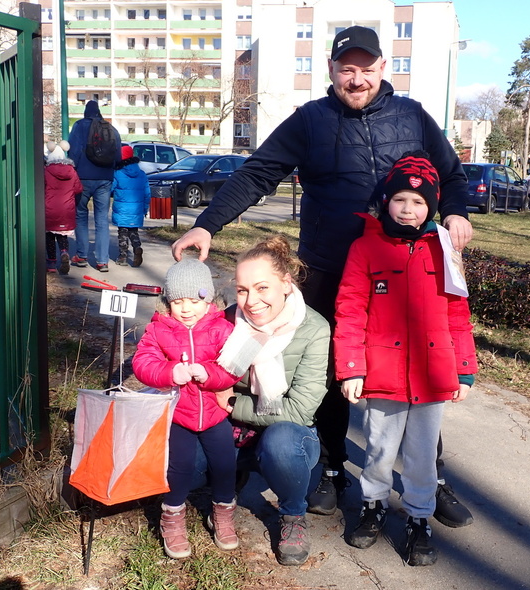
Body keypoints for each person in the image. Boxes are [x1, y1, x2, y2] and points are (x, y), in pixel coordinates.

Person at [171, 26, 475, 525]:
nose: (357, 80)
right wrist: (206, 225)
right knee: (335, 370)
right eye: (346, 69)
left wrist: (458, 211)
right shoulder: (310, 121)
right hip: (331, 269)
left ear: (383, 68)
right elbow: (255, 174)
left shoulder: (413, 116)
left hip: (404, 273)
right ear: (332, 71)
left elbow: (453, 175)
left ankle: (432, 478)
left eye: (366, 69)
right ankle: (334, 469)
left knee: (417, 370)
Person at [333, 151, 478, 566]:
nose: (408, 209)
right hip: (383, 373)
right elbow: (350, 310)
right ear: (386, 202)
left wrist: (463, 371)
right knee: (379, 448)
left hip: (433, 374)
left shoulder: (445, 249)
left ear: (431, 207)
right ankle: (374, 504)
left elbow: (457, 313)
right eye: (400, 200)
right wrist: (351, 368)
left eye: (418, 203)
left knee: (421, 455)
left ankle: (418, 517)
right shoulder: (365, 248)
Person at [213, 236, 330, 566]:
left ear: (286, 284)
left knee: (280, 444)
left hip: (290, 433)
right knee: (189, 462)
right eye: (243, 289)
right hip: (235, 428)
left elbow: (299, 409)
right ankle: (229, 483)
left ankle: (293, 514)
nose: (251, 301)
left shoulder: (314, 329)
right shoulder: (227, 321)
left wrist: (234, 404)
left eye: (262, 288)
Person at [132, 258, 243, 559]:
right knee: (177, 468)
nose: (185, 309)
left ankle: (221, 513)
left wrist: (210, 375)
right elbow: (142, 363)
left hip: (215, 414)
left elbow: (234, 369)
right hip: (178, 416)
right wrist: (170, 373)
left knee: (224, 465)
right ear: (167, 302)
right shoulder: (159, 329)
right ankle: (172, 518)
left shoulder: (222, 329)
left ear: (208, 301)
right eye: (177, 301)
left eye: (194, 300)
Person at [68, 100, 121, 272]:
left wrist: (74, 169)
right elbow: (118, 156)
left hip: (83, 177)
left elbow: (73, 151)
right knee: (101, 220)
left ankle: (82, 255)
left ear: (85, 112)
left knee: (81, 215)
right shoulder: (110, 129)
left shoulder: (79, 126)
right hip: (105, 179)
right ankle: (102, 261)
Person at [43, 140, 81, 274]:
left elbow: (42, 187)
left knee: (49, 236)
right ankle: (64, 252)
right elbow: (78, 188)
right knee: (62, 235)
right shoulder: (71, 171)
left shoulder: (46, 171)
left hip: (50, 208)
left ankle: (51, 263)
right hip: (66, 209)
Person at [112, 145, 150, 267]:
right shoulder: (142, 174)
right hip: (136, 209)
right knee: (133, 230)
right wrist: (145, 208)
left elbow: (110, 189)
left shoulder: (117, 173)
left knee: (122, 232)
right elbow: (147, 193)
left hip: (122, 208)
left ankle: (123, 256)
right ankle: (137, 247)